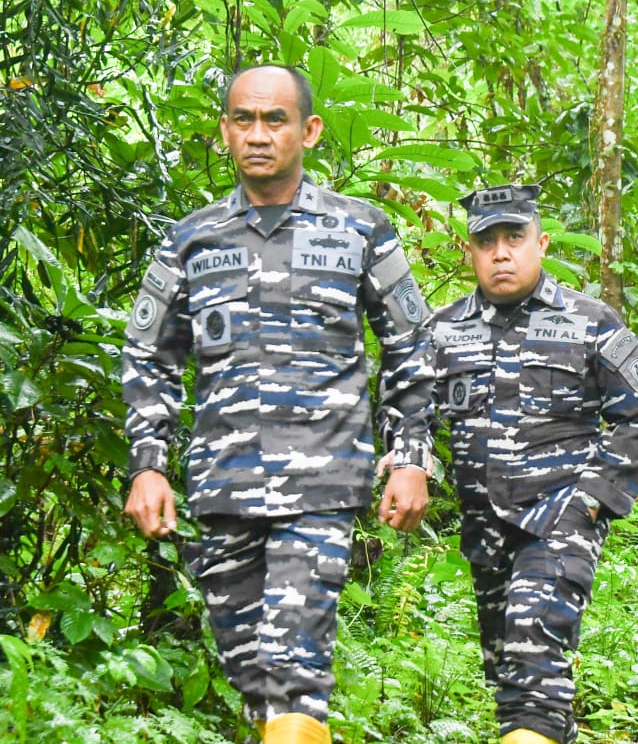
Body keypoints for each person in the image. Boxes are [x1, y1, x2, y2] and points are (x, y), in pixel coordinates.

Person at [123, 65, 435, 744]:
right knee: (254, 678)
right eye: (244, 119)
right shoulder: (191, 239)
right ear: (225, 131)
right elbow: (149, 355)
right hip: (224, 487)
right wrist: (148, 464)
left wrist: (411, 457)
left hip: (322, 485)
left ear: (309, 130)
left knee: (293, 667)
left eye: (275, 120)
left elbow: (411, 347)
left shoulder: (361, 229)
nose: (258, 134)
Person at [423, 184, 638, 744]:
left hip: (560, 519)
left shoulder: (591, 321)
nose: (501, 253)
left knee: (533, 654)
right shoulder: (443, 329)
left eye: (514, 238)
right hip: (485, 530)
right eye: (487, 242)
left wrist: (591, 501)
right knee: (516, 676)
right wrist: (412, 463)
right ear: (469, 251)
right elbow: (409, 410)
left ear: (542, 243)